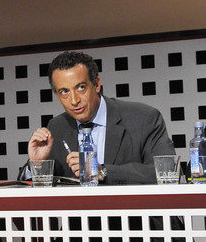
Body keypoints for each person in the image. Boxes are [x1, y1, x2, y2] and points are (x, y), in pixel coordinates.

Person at [26, 50, 175, 183]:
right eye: (64, 91)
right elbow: (29, 186)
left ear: (97, 84)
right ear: (57, 95)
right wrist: (38, 164)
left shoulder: (144, 118)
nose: (74, 100)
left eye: (81, 87)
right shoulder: (57, 127)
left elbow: (166, 172)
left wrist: (102, 171)